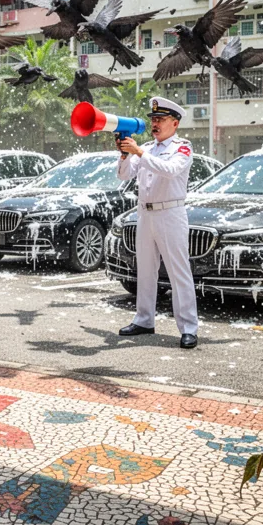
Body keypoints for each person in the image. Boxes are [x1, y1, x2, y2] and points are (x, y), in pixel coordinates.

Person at [115, 96, 199, 349]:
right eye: (153, 119)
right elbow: (123, 175)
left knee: (178, 272)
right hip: (145, 213)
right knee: (146, 270)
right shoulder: (147, 149)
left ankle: (188, 327)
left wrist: (138, 151)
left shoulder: (182, 147)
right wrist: (123, 154)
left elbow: (170, 170)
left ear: (175, 124)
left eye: (161, 119)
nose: (155, 124)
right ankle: (144, 319)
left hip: (170, 213)